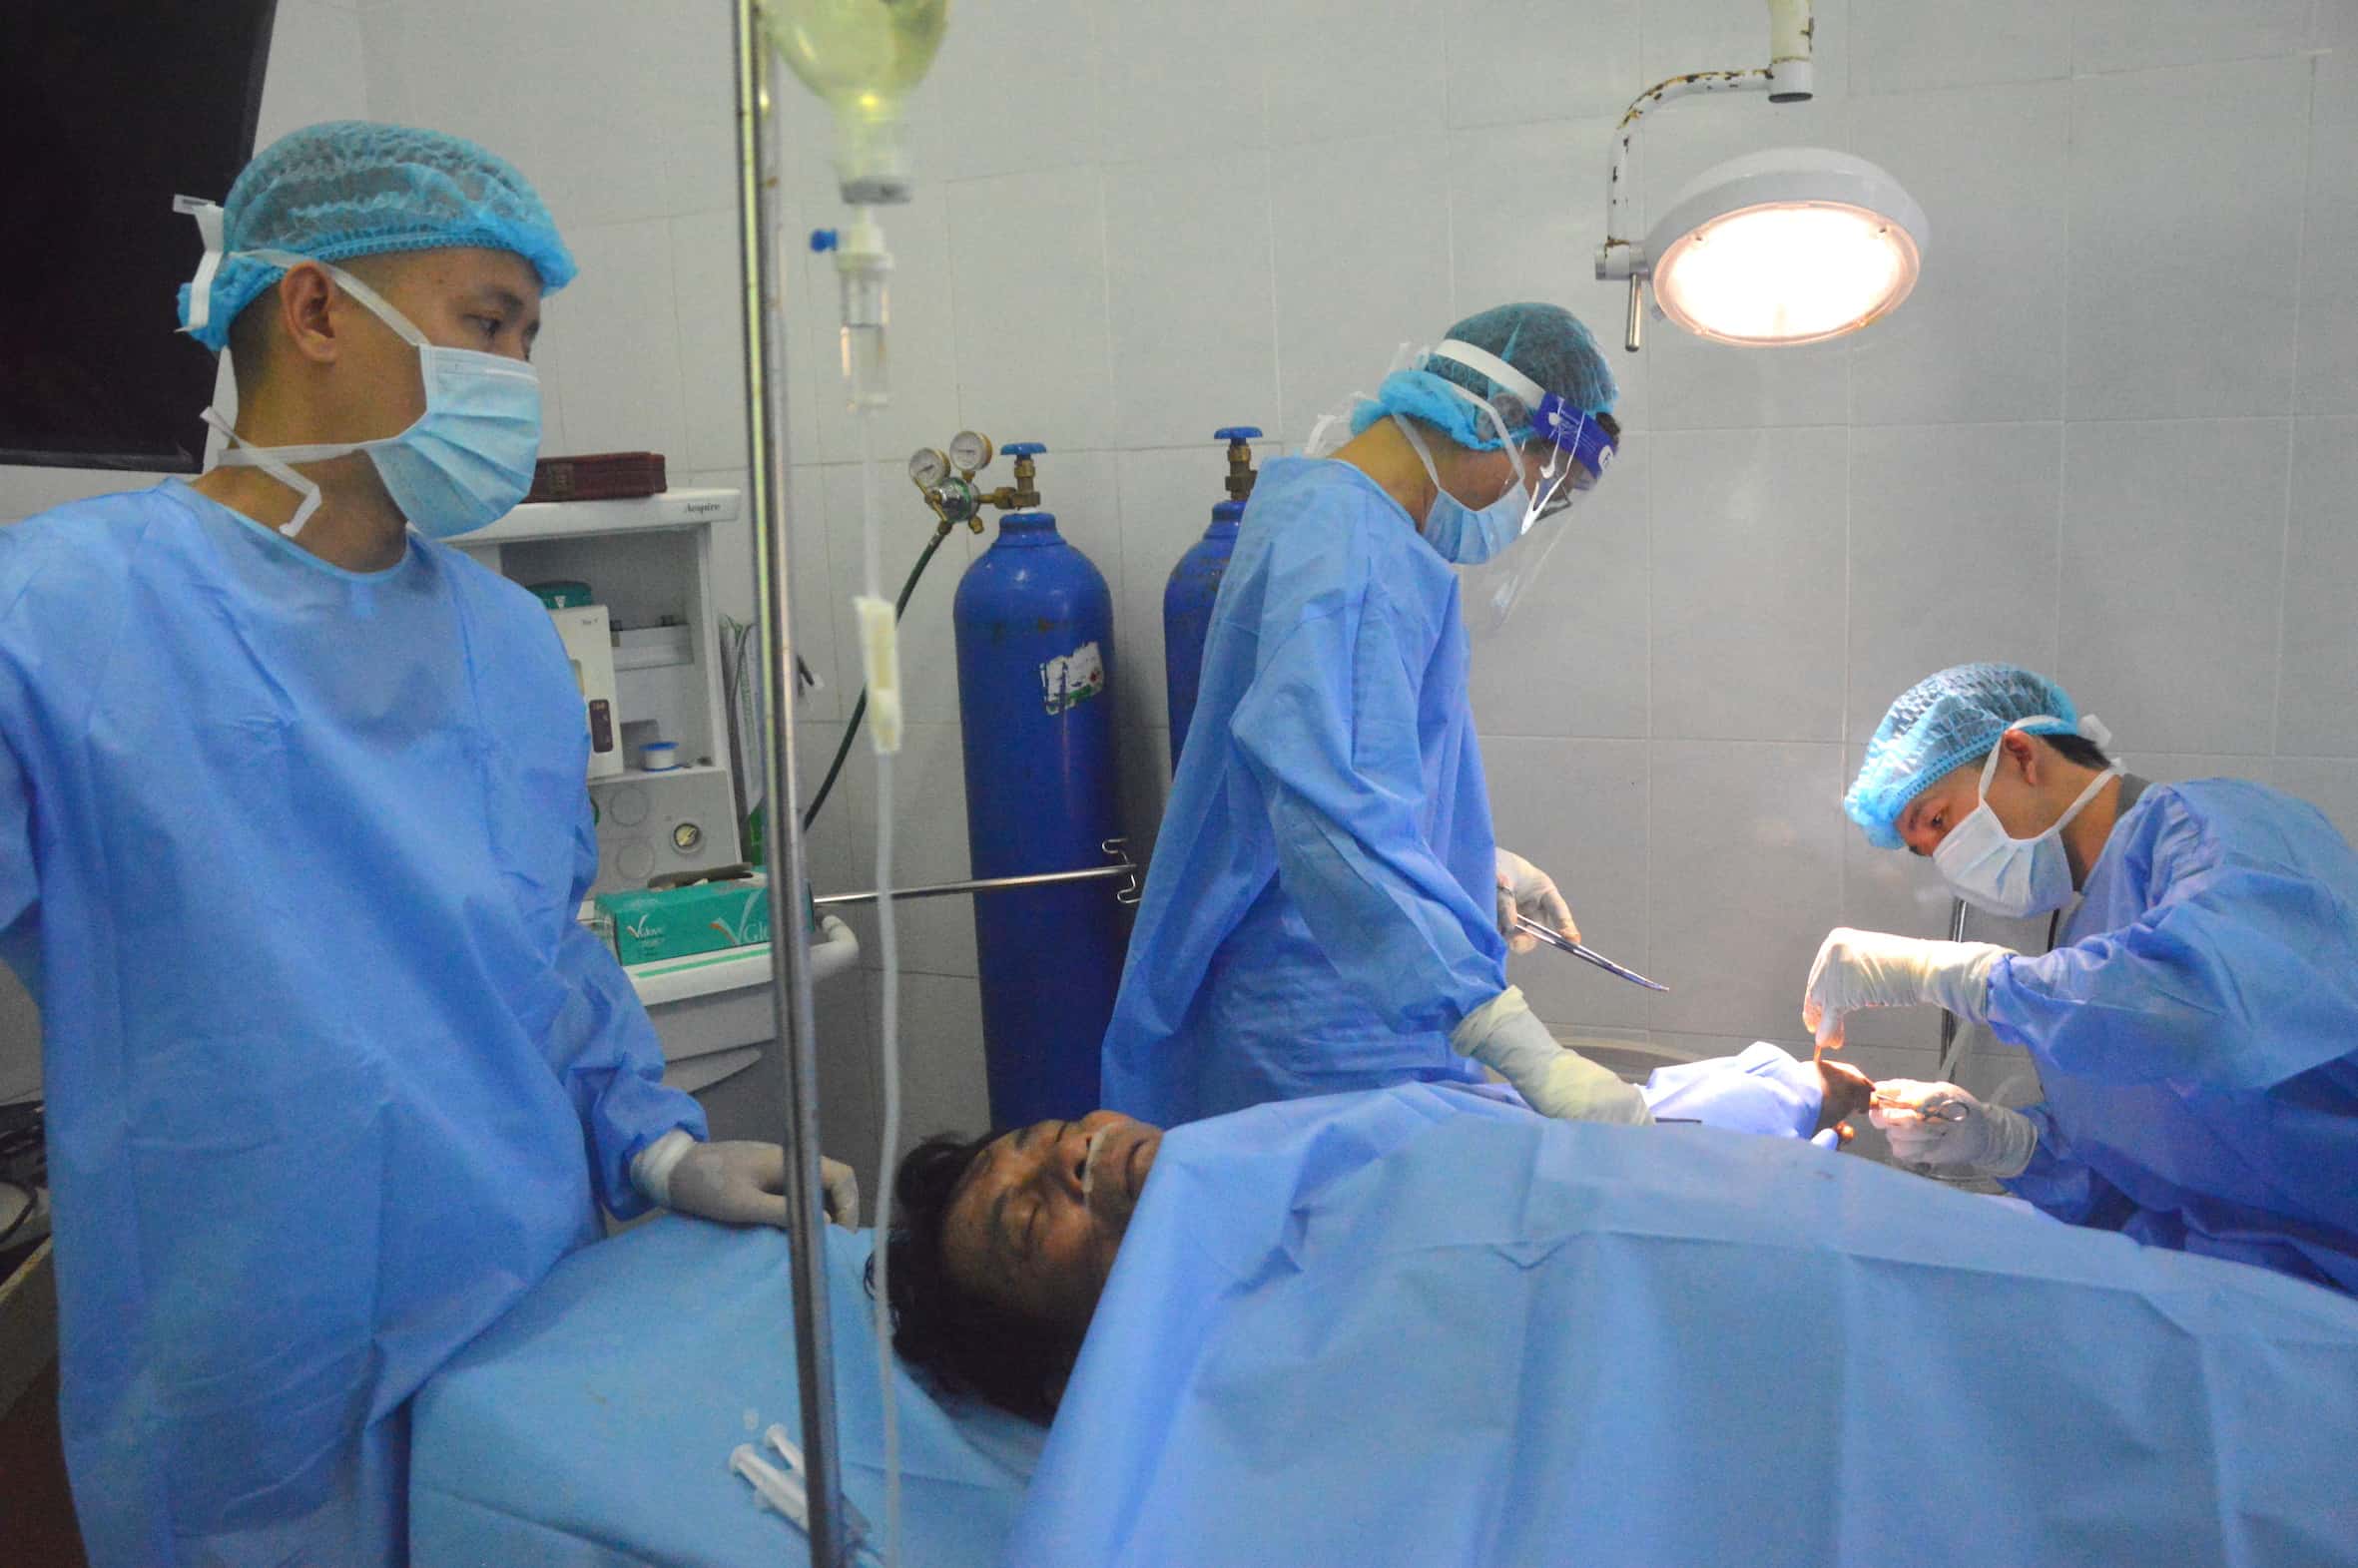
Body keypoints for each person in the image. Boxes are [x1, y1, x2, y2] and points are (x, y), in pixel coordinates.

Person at [0, 122, 852, 1568]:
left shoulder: (509, 643)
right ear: (316, 307)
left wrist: (657, 1149)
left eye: (527, 337)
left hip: (522, 1327)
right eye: (488, 323)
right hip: (245, 1372)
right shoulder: (58, 615)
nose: (514, 374)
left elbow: (546, 958)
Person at [1101, 303, 1636, 1131]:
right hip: (1324, 1019)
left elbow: (1328, 767)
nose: (1525, 508)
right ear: (1495, 421)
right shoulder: (1344, 550)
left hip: (1348, 984)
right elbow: (1330, 820)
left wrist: (1464, 865)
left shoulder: (1335, 518)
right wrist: (1522, 1045)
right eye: (1538, 482)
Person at [882, 1049, 1874, 1419]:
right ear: (1070, 1376)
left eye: (1054, 1129)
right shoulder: (1251, 1418)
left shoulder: (1296, 1151)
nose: (1069, 1153)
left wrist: (1791, 1096)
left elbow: (1554, 1143)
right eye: (1028, 1219)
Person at [1804, 662, 2358, 1294]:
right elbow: (2150, 1178)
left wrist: (1965, 977)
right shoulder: (2091, 936)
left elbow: (2205, 1009)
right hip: (2262, 1293)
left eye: (1939, 820)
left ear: (2021, 755)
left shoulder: (2225, 828)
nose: (1949, 857)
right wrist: (2003, 1143)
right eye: (1928, 849)